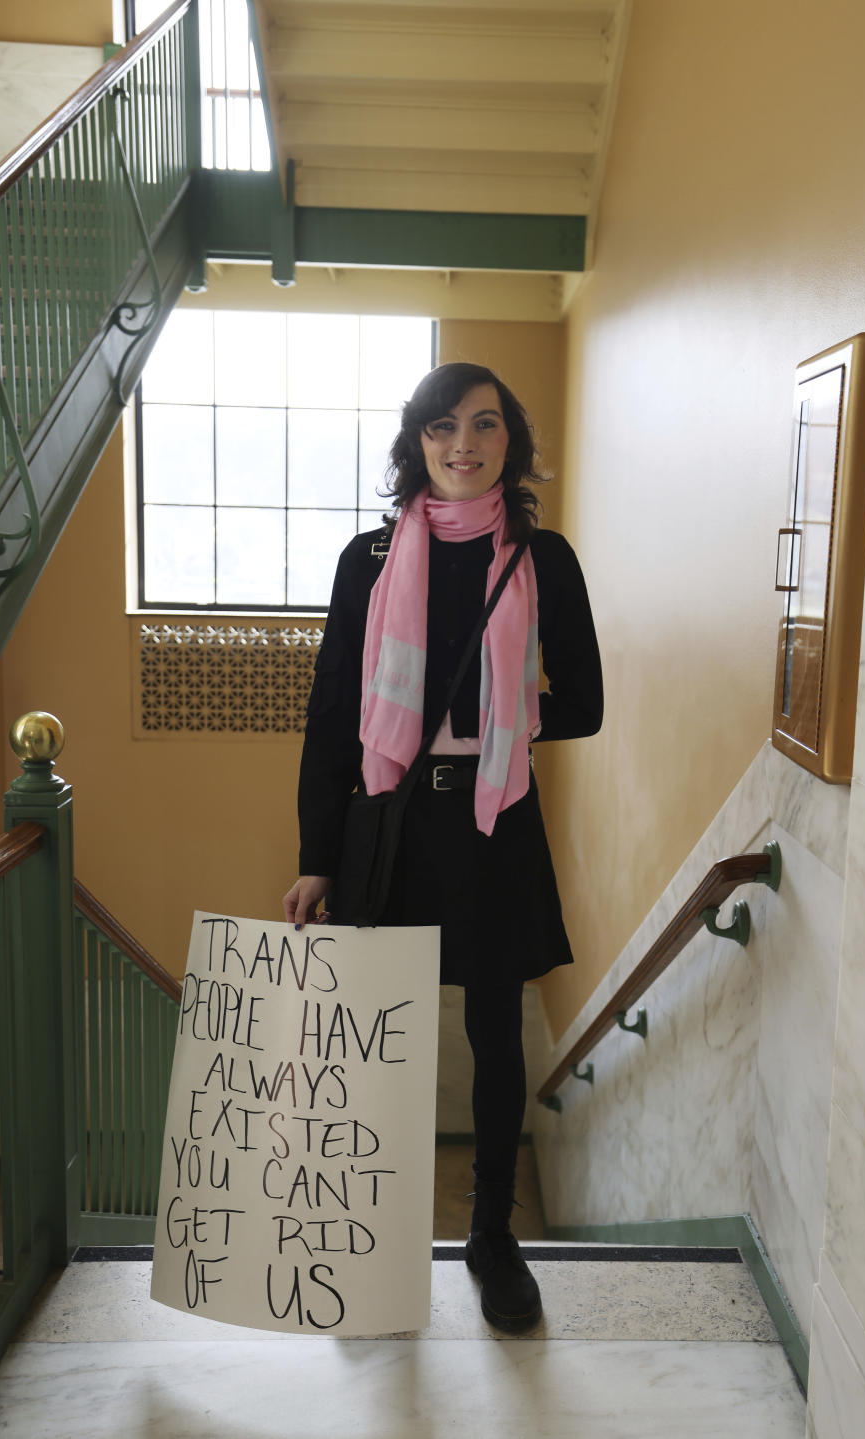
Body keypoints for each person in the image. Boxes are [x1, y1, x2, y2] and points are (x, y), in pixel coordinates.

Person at [283, 361, 603, 1331]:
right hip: (393, 817)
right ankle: (369, 1238)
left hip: (494, 817)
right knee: (376, 1036)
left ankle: (492, 1238)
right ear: (413, 443)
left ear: (513, 442)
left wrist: (501, 718)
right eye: (440, 427)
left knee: (497, 1035)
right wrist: (315, 852)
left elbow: (582, 700)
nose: (462, 444)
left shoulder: (544, 557)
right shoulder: (369, 558)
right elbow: (335, 715)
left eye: (484, 425)